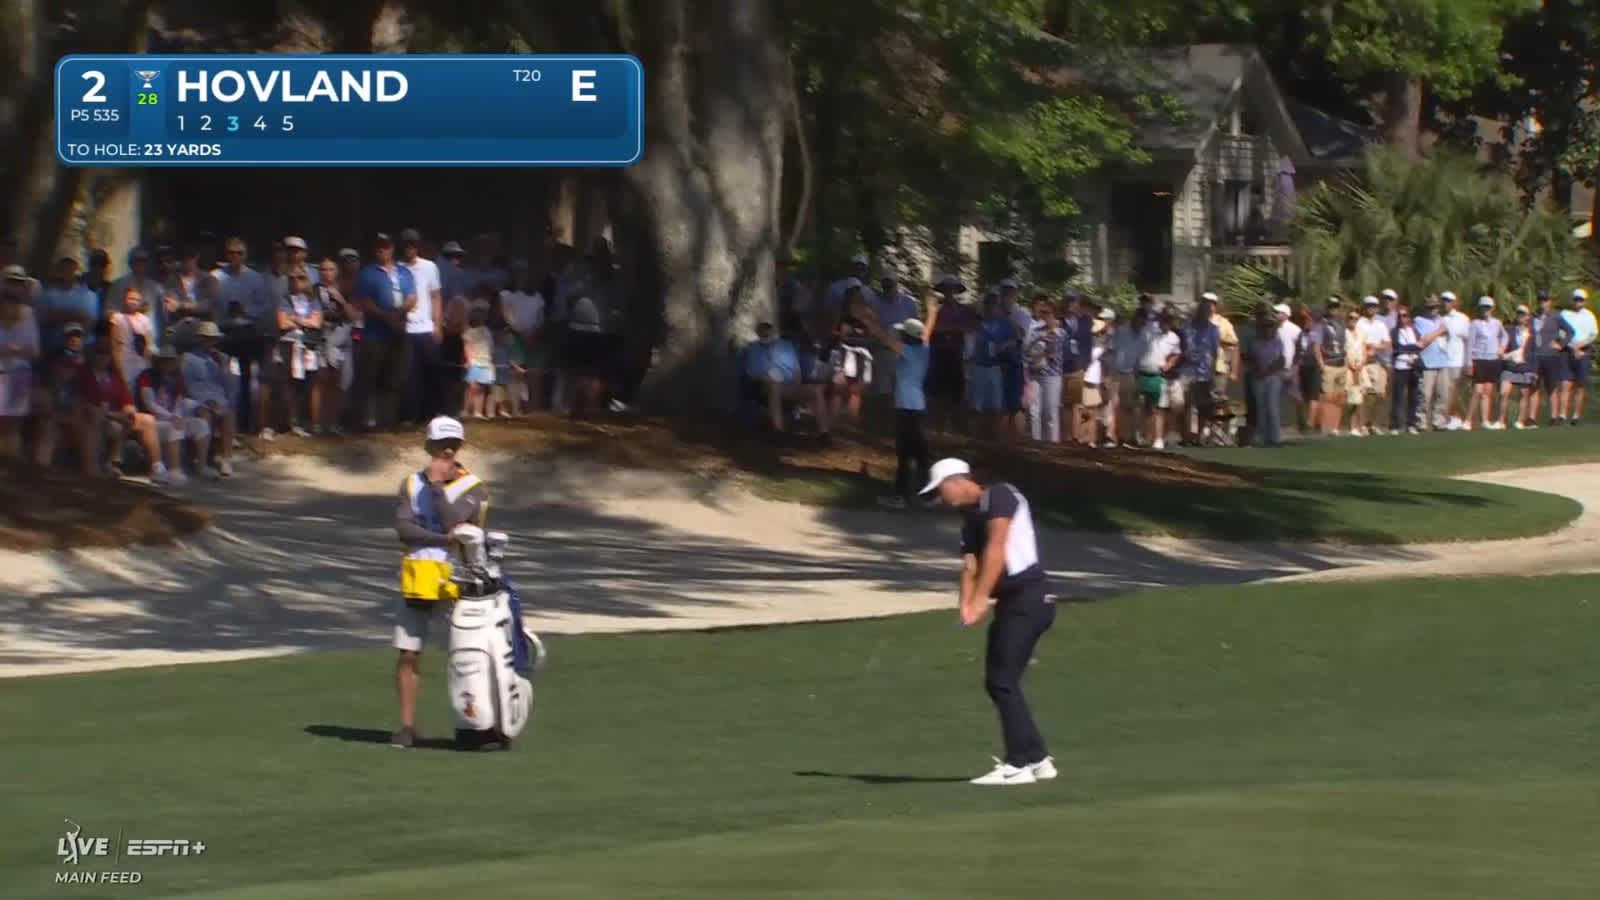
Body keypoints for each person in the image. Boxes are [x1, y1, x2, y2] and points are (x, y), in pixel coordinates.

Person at [919, 458, 1057, 786]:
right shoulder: (969, 521)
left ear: (955, 481)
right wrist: (966, 605)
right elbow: (970, 566)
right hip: (1014, 603)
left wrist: (982, 599)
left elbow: (996, 549)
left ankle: (1018, 764)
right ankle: (1038, 760)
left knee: (1001, 681)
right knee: (1003, 682)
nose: (941, 499)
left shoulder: (1000, 496)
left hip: (1031, 597)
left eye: (940, 491)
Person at [391, 416, 490, 749]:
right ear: (428, 447)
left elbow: (457, 521)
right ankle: (407, 727)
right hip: (417, 580)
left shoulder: (472, 486)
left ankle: (472, 723)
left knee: (464, 656)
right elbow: (405, 528)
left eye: (453, 445)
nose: (447, 450)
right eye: (441, 445)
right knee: (408, 654)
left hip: (456, 582)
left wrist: (436, 488)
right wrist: (441, 538)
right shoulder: (409, 484)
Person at [136, 345, 211, 485]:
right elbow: (149, 404)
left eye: (170, 360)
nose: (167, 363)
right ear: (158, 361)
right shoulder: (146, 376)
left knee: (201, 425)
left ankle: (201, 466)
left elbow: (179, 401)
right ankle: (174, 470)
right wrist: (173, 418)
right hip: (153, 421)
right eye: (164, 360)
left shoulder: (177, 378)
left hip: (174, 418)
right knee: (173, 428)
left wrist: (178, 416)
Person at [1465, 297, 1507, 430]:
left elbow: (1505, 336)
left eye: (1488, 307)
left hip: (1492, 359)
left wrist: (1502, 348)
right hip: (1479, 359)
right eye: (1484, 307)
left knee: (1488, 392)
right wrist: (1469, 363)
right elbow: (1470, 344)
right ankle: (1468, 420)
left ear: (1492, 308)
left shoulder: (1497, 323)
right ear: (1480, 308)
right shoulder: (1475, 324)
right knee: (1477, 391)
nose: (1486, 310)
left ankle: (1485, 420)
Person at [1560, 288, 1597, 425]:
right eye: (1576, 299)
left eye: (1580, 299)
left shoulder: (1590, 316)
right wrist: (1572, 346)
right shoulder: (1565, 314)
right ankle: (1562, 415)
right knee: (1566, 384)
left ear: (1585, 301)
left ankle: (1575, 417)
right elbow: (1561, 333)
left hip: (1583, 351)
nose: (1578, 302)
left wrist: (1580, 346)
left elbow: (1593, 335)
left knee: (1580, 385)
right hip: (1567, 350)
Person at [1390, 307, 1423, 433]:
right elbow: (1397, 347)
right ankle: (1395, 425)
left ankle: (1411, 424)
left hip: (1413, 366)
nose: (1402, 318)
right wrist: (1413, 347)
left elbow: (1420, 346)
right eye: (1399, 316)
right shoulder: (1394, 331)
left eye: (1404, 316)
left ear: (1408, 318)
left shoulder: (1413, 331)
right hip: (1401, 366)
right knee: (1398, 397)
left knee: (1413, 396)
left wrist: (1412, 348)